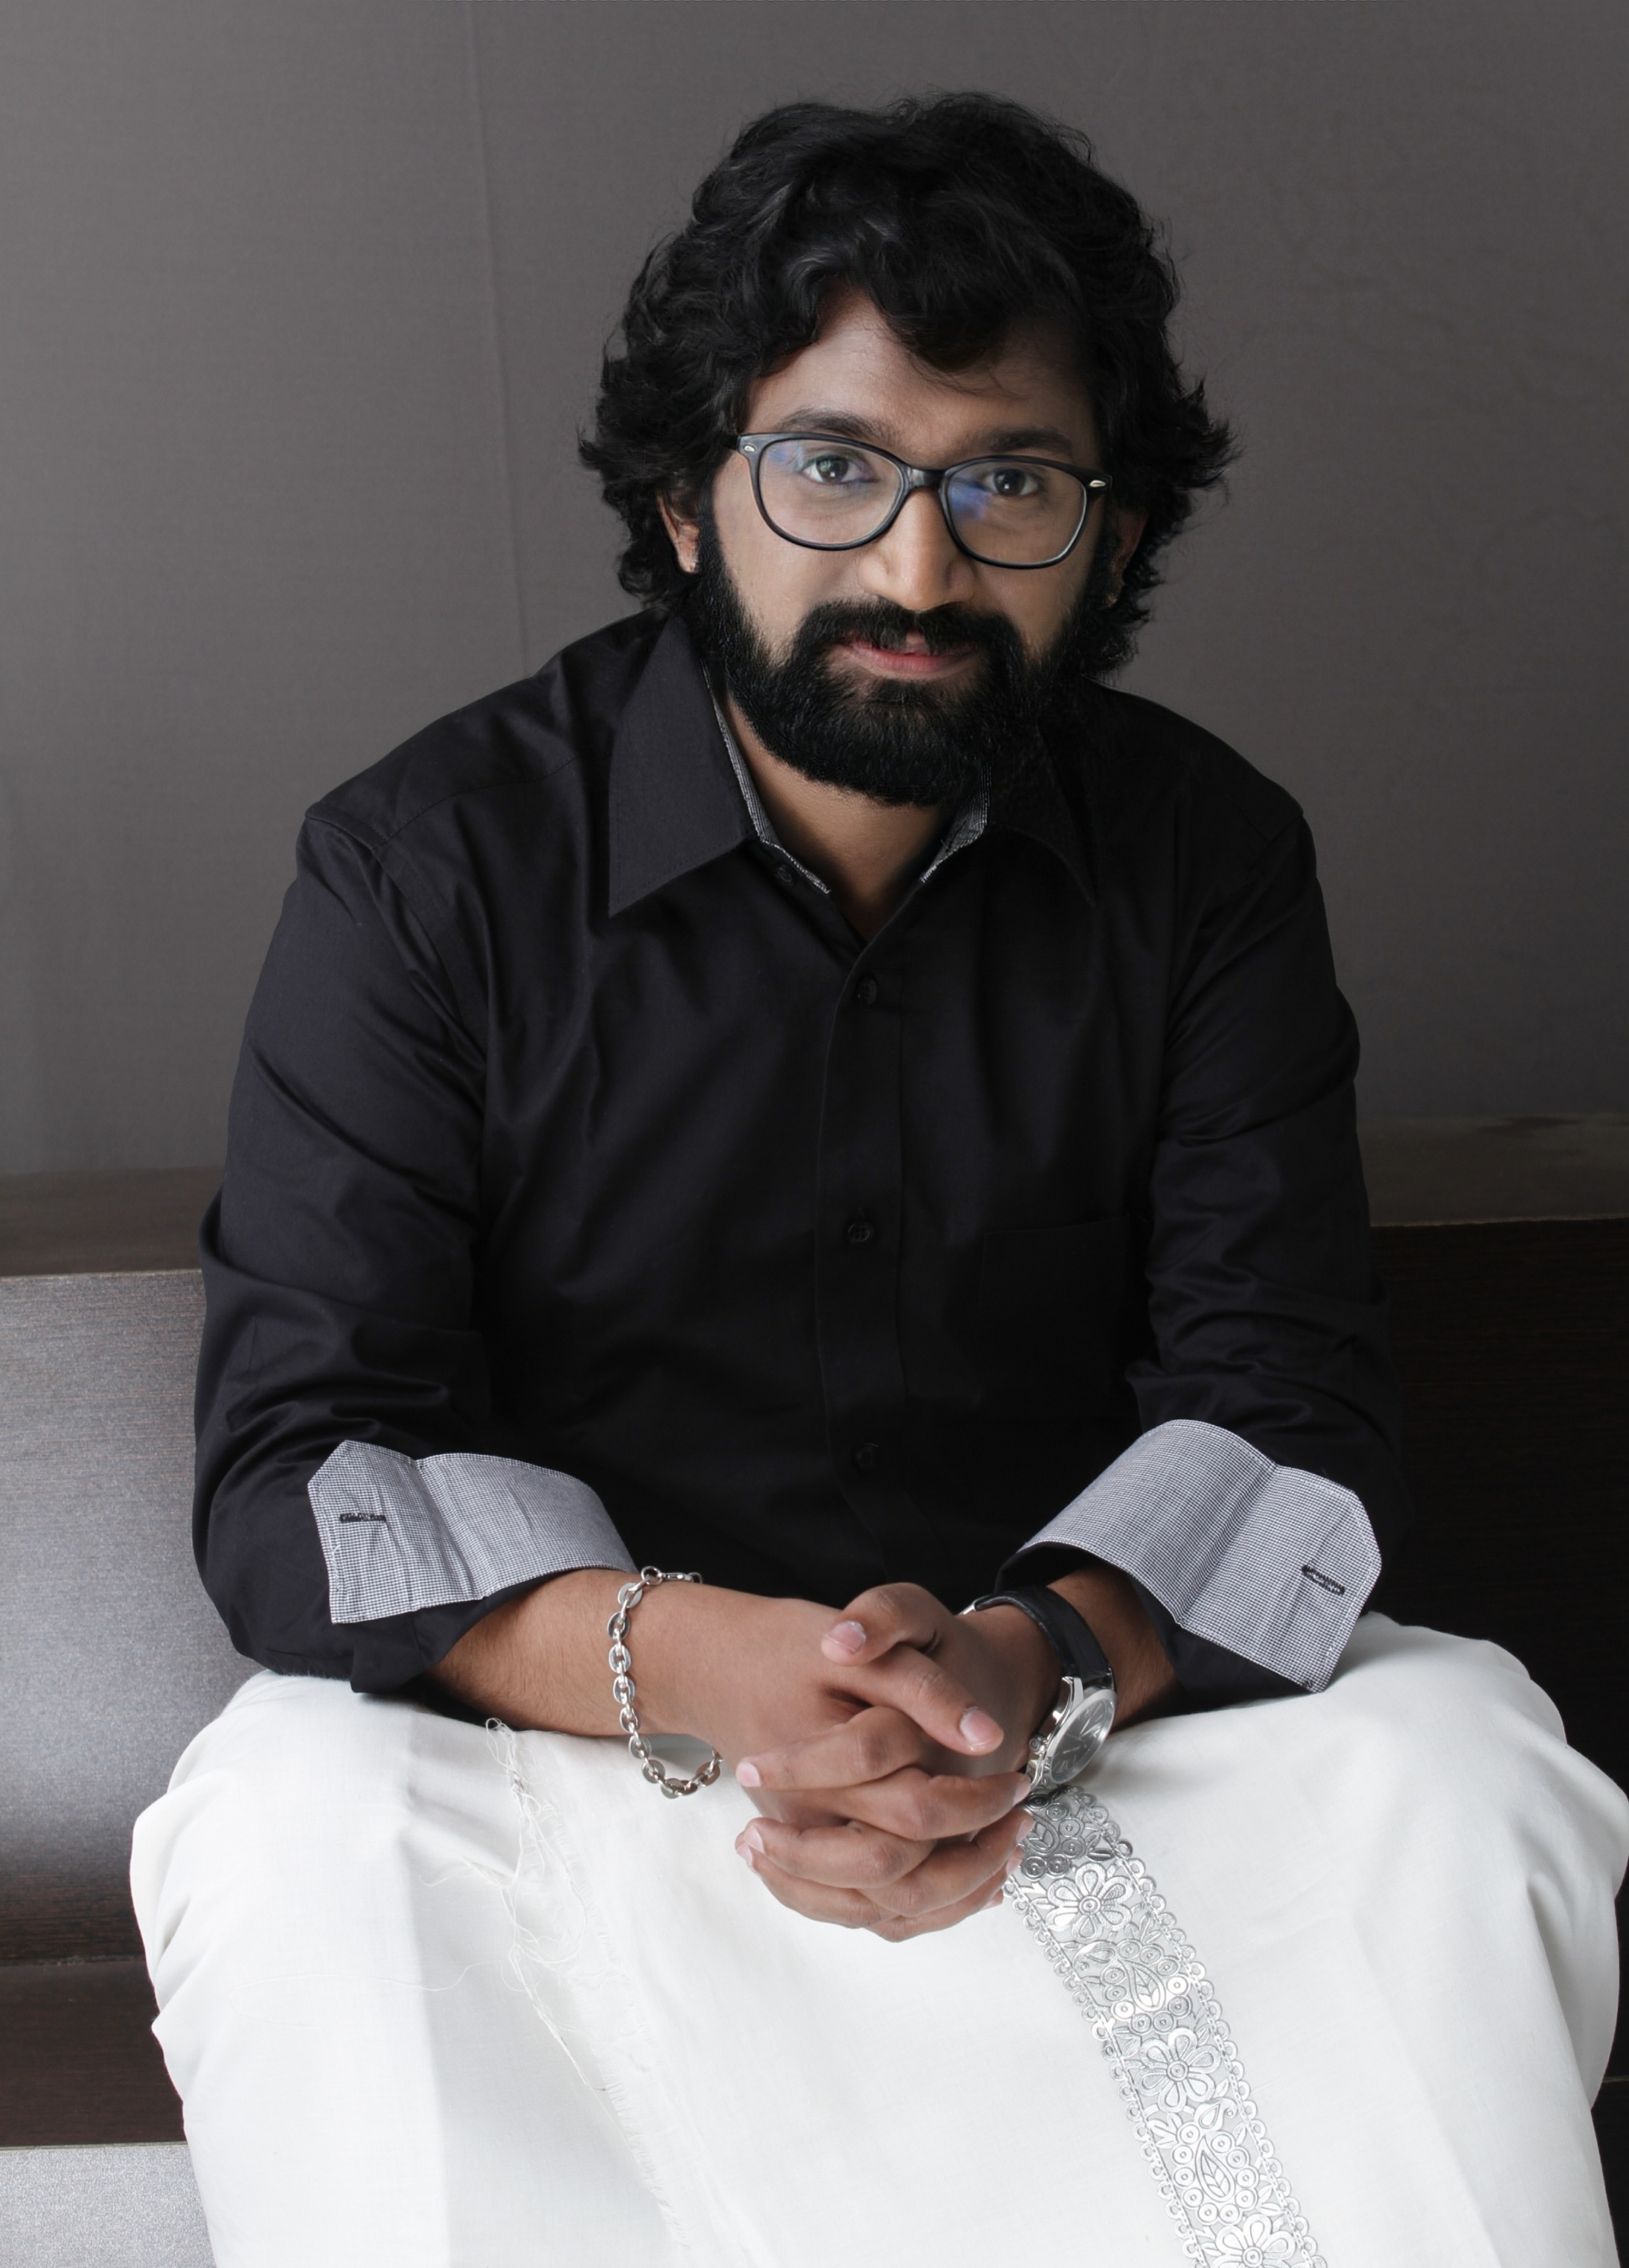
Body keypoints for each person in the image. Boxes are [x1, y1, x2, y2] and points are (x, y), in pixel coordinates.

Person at [131, 94, 1626, 2267]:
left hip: (1071, 1736)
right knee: (290, 1821)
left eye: (1007, 484)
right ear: (683, 500)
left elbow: (1288, 1422)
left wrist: (1025, 1665)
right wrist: (708, 1660)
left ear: (1110, 535)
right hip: (583, 1742)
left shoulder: (1205, 861)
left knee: (1463, 1769)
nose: (917, 572)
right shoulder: (426, 869)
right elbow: (306, 1467)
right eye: (830, 468)